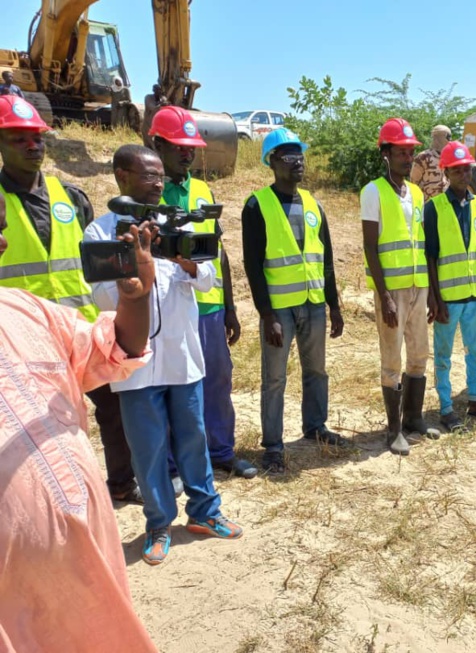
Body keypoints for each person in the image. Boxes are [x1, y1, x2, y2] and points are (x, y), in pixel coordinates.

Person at [0, 189, 158, 652]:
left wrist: (136, 299)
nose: (5, 244)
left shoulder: (24, 309)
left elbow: (115, 348)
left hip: (90, 567)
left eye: (2, 231)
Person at [85, 144, 243, 565]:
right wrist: (135, 265)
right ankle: (157, 525)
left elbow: (208, 278)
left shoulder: (179, 224)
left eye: (159, 176)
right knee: (149, 447)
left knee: (193, 437)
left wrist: (185, 261)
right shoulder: (101, 233)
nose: (157, 183)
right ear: (121, 177)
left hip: (181, 354)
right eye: (147, 175)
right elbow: (100, 295)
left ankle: (205, 513)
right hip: (134, 363)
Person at [0, 96, 141, 503]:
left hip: (79, 333)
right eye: (19, 139)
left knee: (112, 412)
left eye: (38, 139)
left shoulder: (73, 198)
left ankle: (121, 484)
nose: (33, 147)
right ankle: (42, 497)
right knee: (35, 423)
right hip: (23, 341)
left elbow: (96, 266)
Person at [151, 106, 256, 480]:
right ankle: (173, 465)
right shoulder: (148, 191)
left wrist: (230, 307)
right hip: (168, 307)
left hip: (208, 305)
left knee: (216, 380)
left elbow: (220, 251)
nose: (186, 153)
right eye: (178, 145)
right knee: (172, 385)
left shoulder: (201, 190)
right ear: (157, 144)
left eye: (191, 146)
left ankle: (221, 451)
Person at [242, 129, 347, 473]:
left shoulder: (314, 205)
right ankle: (273, 445)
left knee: (316, 371)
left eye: (300, 155)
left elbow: (326, 258)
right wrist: (266, 314)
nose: (297, 162)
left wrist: (334, 305)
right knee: (274, 377)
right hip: (279, 309)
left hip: (314, 303)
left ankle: (315, 426)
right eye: (288, 156)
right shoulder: (258, 205)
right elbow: (253, 266)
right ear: (271, 162)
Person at [362, 118, 440, 456]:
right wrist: (384, 297)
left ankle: (414, 419)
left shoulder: (419, 193)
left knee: (419, 355)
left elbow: (422, 244)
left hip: (418, 287)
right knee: (392, 361)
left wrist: (431, 293)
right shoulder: (372, 191)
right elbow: (370, 247)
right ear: (386, 153)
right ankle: (393, 430)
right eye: (401, 152)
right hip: (391, 292)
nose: (408, 159)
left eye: (411, 152)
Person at [425, 140, 476, 432]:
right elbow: (430, 256)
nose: (463, 174)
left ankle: (475, 400)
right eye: (456, 170)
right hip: (448, 298)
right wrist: (435, 298)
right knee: (443, 356)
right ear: (445, 172)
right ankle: (445, 408)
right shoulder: (433, 209)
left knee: (475, 350)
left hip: (474, 295)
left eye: (467, 169)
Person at [410, 124, 451, 201]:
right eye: (448, 137)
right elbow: (413, 182)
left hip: (444, 203)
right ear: (440, 137)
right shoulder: (423, 157)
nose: (449, 140)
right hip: (426, 204)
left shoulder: (448, 158)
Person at [142, 83, 167, 149]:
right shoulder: (148, 97)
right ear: (153, 90)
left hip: (158, 127)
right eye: (157, 90)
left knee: (156, 147)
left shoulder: (163, 99)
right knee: (148, 146)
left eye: (160, 90)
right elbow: (152, 107)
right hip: (147, 126)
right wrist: (160, 105)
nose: (159, 92)